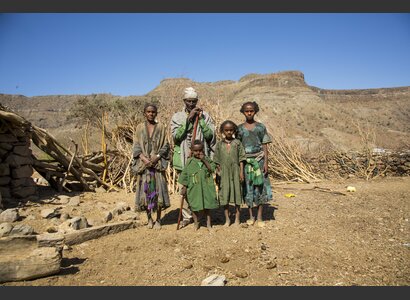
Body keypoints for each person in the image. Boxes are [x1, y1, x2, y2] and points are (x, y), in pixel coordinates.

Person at [170, 87, 216, 228]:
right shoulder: (177, 117)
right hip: (184, 156)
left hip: (201, 158)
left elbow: (210, 136)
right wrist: (188, 120)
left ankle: (201, 214)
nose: (191, 104)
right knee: (185, 187)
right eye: (189, 101)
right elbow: (176, 137)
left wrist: (201, 121)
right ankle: (187, 216)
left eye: (194, 101)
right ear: (184, 101)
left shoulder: (205, 116)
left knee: (201, 185)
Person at [131, 103, 170, 230]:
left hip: (157, 165)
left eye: (153, 112)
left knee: (158, 191)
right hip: (144, 166)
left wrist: (157, 156)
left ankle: (158, 219)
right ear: (144, 113)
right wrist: (143, 158)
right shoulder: (139, 128)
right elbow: (136, 145)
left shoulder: (161, 127)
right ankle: (149, 219)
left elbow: (166, 145)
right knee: (146, 191)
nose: (150, 114)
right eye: (148, 112)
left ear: (156, 113)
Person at [237, 101, 273, 227]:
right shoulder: (239, 129)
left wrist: (266, 163)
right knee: (248, 188)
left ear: (255, 111)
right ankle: (251, 216)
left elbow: (265, 145)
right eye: (246, 111)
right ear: (243, 112)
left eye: (251, 110)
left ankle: (260, 217)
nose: (249, 113)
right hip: (246, 163)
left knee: (260, 188)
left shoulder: (261, 127)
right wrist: (240, 167)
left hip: (259, 161)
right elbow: (239, 148)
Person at [178, 140, 218, 230]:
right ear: (191, 150)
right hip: (194, 187)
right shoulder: (190, 162)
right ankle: (196, 223)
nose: (198, 152)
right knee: (195, 206)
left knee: (207, 205)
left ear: (203, 150)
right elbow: (185, 174)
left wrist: (204, 160)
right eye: (196, 151)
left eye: (200, 150)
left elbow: (212, 168)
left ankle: (208, 224)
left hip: (206, 186)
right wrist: (184, 186)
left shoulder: (207, 159)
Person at [213, 120, 246, 227]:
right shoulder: (219, 144)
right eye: (226, 130)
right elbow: (216, 160)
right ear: (222, 131)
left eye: (231, 130)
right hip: (224, 173)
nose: (228, 132)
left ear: (234, 130)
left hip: (236, 171)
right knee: (224, 195)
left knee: (237, 194)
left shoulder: (237, 143)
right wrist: (219, 172)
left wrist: (241, 172)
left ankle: (237, 219)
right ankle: (227, 219)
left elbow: (241, 159)